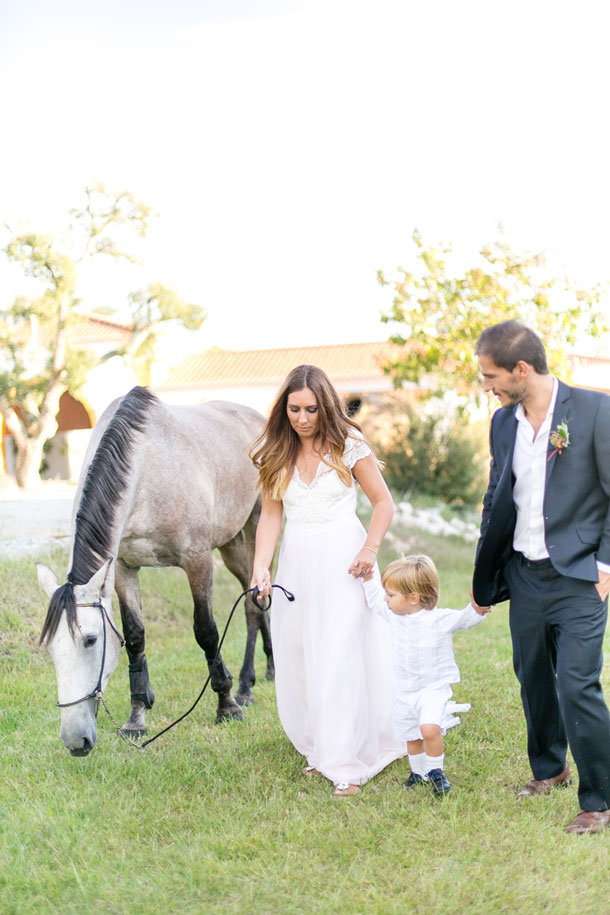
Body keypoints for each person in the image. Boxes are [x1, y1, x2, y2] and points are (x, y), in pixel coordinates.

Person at [472, 319, 610, 834]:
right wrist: (487, 566)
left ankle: (599, 799)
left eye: (491, 376)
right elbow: (496, 495)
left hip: (579, 577)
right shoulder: (503, 422)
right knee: (532, 676)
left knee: (577, 684)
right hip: (523, 573)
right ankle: (549, 769)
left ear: (521, 369)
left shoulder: (596, 411)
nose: (487, 385)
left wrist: (605, 565)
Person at [249, 364, 406, 796]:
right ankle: (320, 748)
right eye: (295, 409)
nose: (302, 418)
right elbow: (271, 515)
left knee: (338, 655)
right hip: (298, 566)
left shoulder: (348, 445)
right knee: (301, 656)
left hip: (344, 562)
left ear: (326, 407)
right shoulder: (276, 451)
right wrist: (261, 566)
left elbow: (382, 503)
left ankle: (344, 764)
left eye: (312, 410)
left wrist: (369, 550)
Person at [358, 554, 489, 794]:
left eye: (392, 595)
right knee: (411, 735)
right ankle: (417, 774)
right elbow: (376, 601)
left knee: (429, 728)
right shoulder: (394, 616)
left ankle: (436, 771)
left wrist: (479, 608)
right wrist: (368, 578)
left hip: (432, 688)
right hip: (404, 689)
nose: (386, 599)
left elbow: (465, 618)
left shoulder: (438, 619)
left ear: (413, 598)